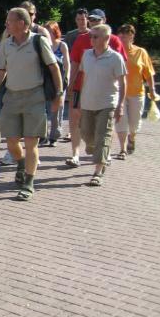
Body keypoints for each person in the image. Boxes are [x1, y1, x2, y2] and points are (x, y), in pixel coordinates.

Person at [0, 8, 63, 201]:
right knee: (11, 142)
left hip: (35, 97)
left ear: (22, 24)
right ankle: (22, 163)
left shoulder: (38, 41)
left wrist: (58, 95)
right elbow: (0, 72)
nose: (6, 24)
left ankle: (29, 182)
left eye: (9, 21)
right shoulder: (5, 45)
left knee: (31, 142)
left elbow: (53, 68)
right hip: (12, 97)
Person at [65, 9, 127, 167]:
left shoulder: (114, 40)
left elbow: (121, 68)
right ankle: (75, 154)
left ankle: (104, 154)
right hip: (82, 88)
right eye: (91, 20)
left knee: (104, 126)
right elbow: (75, 63)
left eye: (97, 20)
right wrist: (70, 85)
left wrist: (120, 100)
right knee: (77, 121)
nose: (93, 23)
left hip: (106, 93)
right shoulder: (81, 39)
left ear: (104, 21)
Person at [77, 24, 126, 186]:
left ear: (106, 38)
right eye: (91, 36)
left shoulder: (115, 58)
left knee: (103, 136)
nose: (91, 39)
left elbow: (122, 83)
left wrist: (120, 105)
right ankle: (94, 147)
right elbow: (84, 77)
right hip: (88, 103)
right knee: (86, 134)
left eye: (95, 37)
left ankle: (98, 172)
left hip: (107, 103)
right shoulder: (87, 55)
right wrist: (80, 99)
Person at [114, 24, 157, 159]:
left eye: (126, 35)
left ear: (132, 36)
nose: (123, 37)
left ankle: (132, 137)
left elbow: (148, 73)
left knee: (134, 124)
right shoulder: (114, 52)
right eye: (121, 35)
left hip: (137, 93)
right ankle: (122, 149)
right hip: (119, 93)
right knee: (121, 120)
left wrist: (152, 90)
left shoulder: (140, 52)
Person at [44, 21, 70, 146]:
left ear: (55, 31)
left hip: (60, 80)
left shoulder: (62, 45)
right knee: (44, 108)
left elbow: (67, 64)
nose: (47, 34)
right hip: (46, 81)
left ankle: (54, 135)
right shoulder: (44, 45)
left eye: (49, 31)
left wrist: (67, 80)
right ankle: (43, 134)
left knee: (57, 108)